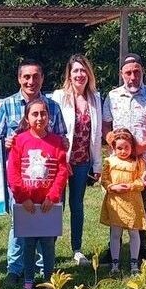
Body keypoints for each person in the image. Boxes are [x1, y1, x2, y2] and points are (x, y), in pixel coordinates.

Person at [0, 58, 67, 282]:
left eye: (35, 76)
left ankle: (45, 270)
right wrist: (4, 142)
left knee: (47, 221)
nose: (31, 81)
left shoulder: (52, 106)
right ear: (19, 79)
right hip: (21, 181)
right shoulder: (6, 104)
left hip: (49, 180)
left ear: (42, 78)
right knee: (19, 223)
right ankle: (16, 269)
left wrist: (62, 144)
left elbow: (62, 138)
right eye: (26, 76)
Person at [6, 98, 68, 289]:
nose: (39, 117)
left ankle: (49, 282)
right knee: (28, 244)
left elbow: (62, 171)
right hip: (27, 205)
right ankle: (28, 281)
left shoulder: (57, 142)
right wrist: (23, 197)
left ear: (49, 117)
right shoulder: (19, 140)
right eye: (35, 114)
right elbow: (13, 172)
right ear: (27, 117)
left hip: (48, 205)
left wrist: (53, 195)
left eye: (43, 113)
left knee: (48, 245)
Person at [102, 54, 146, 262]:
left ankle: (141, 249)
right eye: (128, 73)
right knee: (115, 202)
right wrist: (108, 137)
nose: (132, 77)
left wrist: (143, 146)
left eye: (136, 72)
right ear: (121, 74)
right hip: (118, 161)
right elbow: (107, 123)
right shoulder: (113, 96)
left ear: (142, 71)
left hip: (142, 159)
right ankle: (112, 248)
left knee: (140, 202)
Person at [51, 54, 103, 266]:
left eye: (83, 70)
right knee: (57, 204)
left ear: (88, 73)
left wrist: (97, 164)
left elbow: (97, 133)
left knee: (77, 205)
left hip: (83, 161)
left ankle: (77, 249)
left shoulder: (95, 98)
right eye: (76, 71)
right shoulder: (58, 96)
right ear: (69, 75)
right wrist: (60, 159)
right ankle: (49, 246)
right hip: (61, 161)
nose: (80, 75)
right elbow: (53, 129)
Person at [99, 129, 146, 277]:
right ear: (114, 148)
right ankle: (115, 263)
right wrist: (112, 187)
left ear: (132, 147)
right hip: (116, 202)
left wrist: (131, 186)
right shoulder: (109, 162)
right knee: (115, 233)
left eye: (127, 147)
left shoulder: (137, 162)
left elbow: (142, 181)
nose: (123, 151)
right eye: (119, 148)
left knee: (134, 232)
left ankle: (134, 262)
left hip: (132, 202)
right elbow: (105, 179)